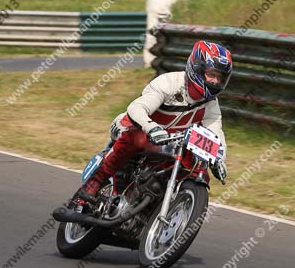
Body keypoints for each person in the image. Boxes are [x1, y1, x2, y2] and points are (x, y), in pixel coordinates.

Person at [77, 41, 232, 201]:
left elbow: (216, 134)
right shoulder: (169, 83)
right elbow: (137, 108)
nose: (215, 81)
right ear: (197, 68)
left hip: (170, 143)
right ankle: (96, 181)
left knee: (199, 169)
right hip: (132, 126)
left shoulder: (211, 105)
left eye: (220, 78)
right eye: (211, 74)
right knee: (137, 138)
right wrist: (151, 128)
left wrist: (219, 160)